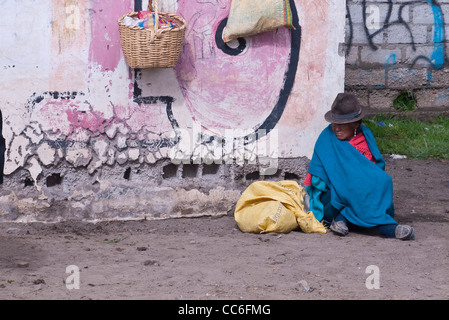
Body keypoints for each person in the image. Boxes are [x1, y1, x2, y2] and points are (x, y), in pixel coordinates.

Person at [304, 93, 414, 240]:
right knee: (352, 190)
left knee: (383, 181)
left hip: (360, 194)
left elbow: (375, 169)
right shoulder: (326, 139)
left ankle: (344, 219)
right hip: (333, 198)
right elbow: (317, 180)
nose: (336, 128)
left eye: (342, 125)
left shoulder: (366, 136)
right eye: (334, 123)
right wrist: (343, 181)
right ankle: (387, 227)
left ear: (356, 124)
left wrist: (360, 180)